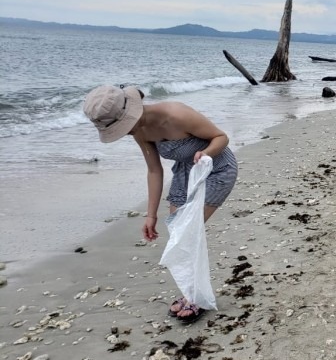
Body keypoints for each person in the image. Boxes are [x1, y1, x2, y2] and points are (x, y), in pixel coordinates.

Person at [83, 85, 238, 322]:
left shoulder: (176, 114)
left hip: (216, 169)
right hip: (186, 173)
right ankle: (190, 292)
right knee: (177, 231)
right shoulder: (139, 131)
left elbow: (221, 137)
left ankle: (196, 298)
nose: (124, 133)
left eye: (121, 127)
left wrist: (206, 153)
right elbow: (154, 171)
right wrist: (150, 215)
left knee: (188, 233)